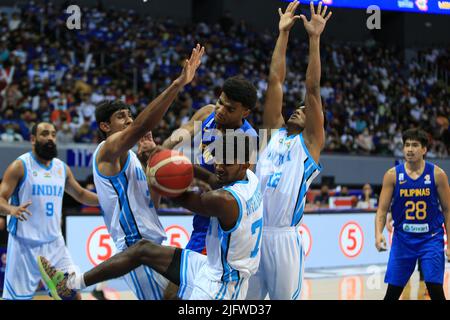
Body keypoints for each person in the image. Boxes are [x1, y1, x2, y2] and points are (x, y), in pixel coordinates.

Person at [36, 44, 204, 300]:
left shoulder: (134, 160)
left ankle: (70, 286)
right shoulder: (106, 150)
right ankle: (69, 286)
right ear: (105, 126)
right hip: (136, 247)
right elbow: (142, 125)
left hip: (153, 243)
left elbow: (150, 202)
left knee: (182, 292)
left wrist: (153, 167)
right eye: (121, 117)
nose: (128, 120)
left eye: (129, 116)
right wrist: (178, 83)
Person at [38, 134, 263, 300]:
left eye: (226, 163)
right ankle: (71, 284)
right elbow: (213, 178)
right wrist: (161, 156)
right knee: (142, 249)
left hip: (221, 286)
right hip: (211, 266)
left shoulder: (225, 200)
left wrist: (155, 168)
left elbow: (180, 195)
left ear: (244, 163)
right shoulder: (250, 178)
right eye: (218, 160)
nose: (219, 167)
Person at [246, 1, 331, 300]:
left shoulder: (309, 145)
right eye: (295, 108)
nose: (298, 109)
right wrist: (283, 34)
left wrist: (314, 39)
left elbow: (312, 89)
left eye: (304, 110)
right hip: (254, 233)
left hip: (284, 238)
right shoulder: (272, 135)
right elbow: (275, 80)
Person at [161, 74, 258, 298]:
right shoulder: (207, 113)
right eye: (220, 101)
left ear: (245, 112)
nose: (221, 109)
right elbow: (181, 134)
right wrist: (162, 152)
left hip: (220, 227)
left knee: (175, 291)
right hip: (202, 218)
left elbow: (225, 190)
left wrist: (190, 171)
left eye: (230, 108)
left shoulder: (246, 139)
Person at [0, 122, 99, 300]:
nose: (50, 138)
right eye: (45, 134)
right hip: (24, 244)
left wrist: (109, 201)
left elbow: (80, 194)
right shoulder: (20, 166)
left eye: (53, 134)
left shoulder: (61, 168)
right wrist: (11, 209)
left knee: (72, 294)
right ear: (33, 139)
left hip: (55, 244)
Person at [375, 128, 450, 300]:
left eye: (415, 145)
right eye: (407, 145)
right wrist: (378, 233)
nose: (410, 149)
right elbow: (382, 209)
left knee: (435, 290)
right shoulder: (392, 175)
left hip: (431, 239)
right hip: (403, 240)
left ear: (424, 149)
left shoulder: (437, 175)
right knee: (392, 293)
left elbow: (448, 210)